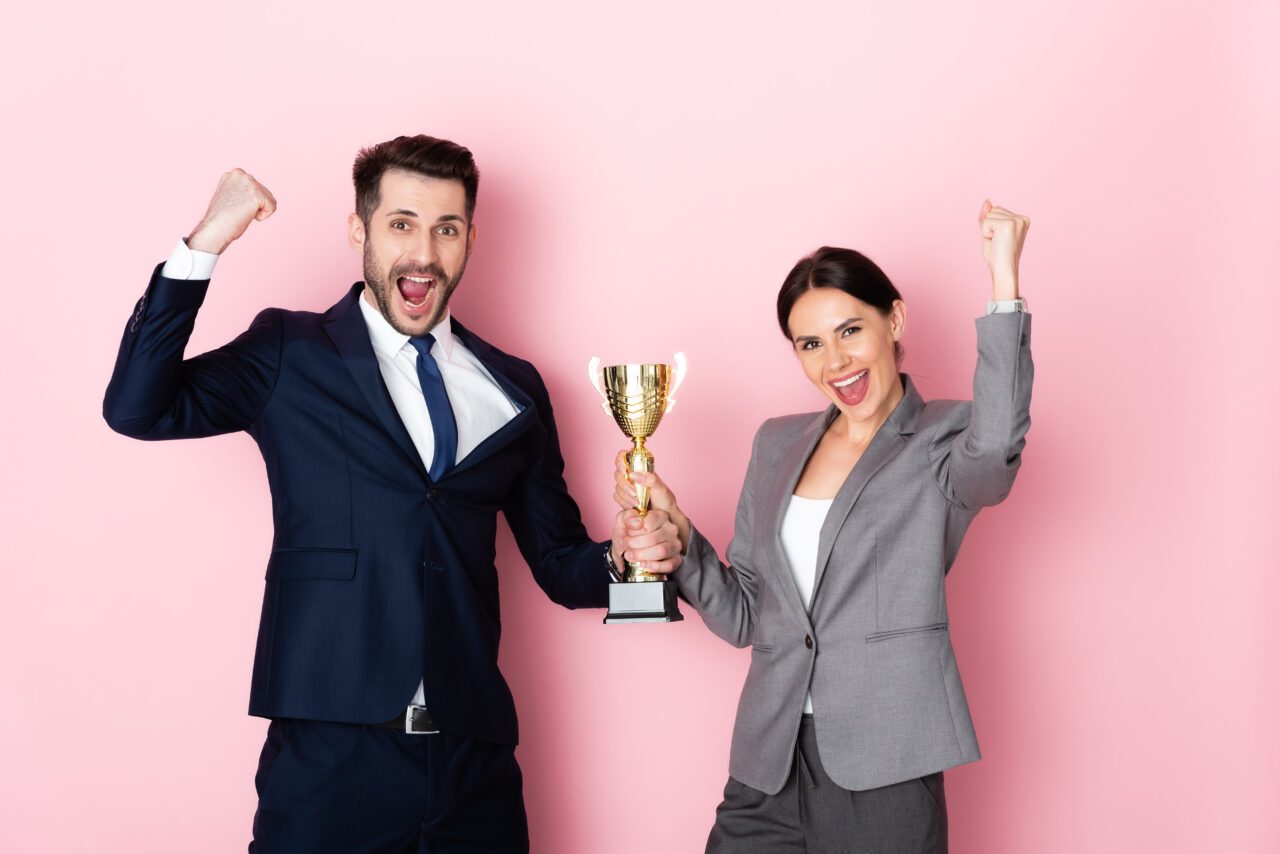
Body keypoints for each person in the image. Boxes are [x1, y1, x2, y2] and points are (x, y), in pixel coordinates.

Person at [103, 134, 684, 853]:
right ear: (361, 231)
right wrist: (206, 242)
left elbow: (563, 566)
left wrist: (633, 558)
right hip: (331, 759)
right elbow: (137, 408)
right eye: (401, 224)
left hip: (474, 766)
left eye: (445, 229)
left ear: (471, 238)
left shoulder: (514, 388)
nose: (424, 253)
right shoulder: (291, 351)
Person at [613, 201, 1033, 852]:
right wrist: (677, 534)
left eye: (850, 331)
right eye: (810, 344)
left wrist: (1004, 283)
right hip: (768, 766)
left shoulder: (943, 440)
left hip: (886, 765)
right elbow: (746, 616)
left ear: (894, 320)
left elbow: (1000, 445)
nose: (835, 361)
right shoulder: (776, 444)